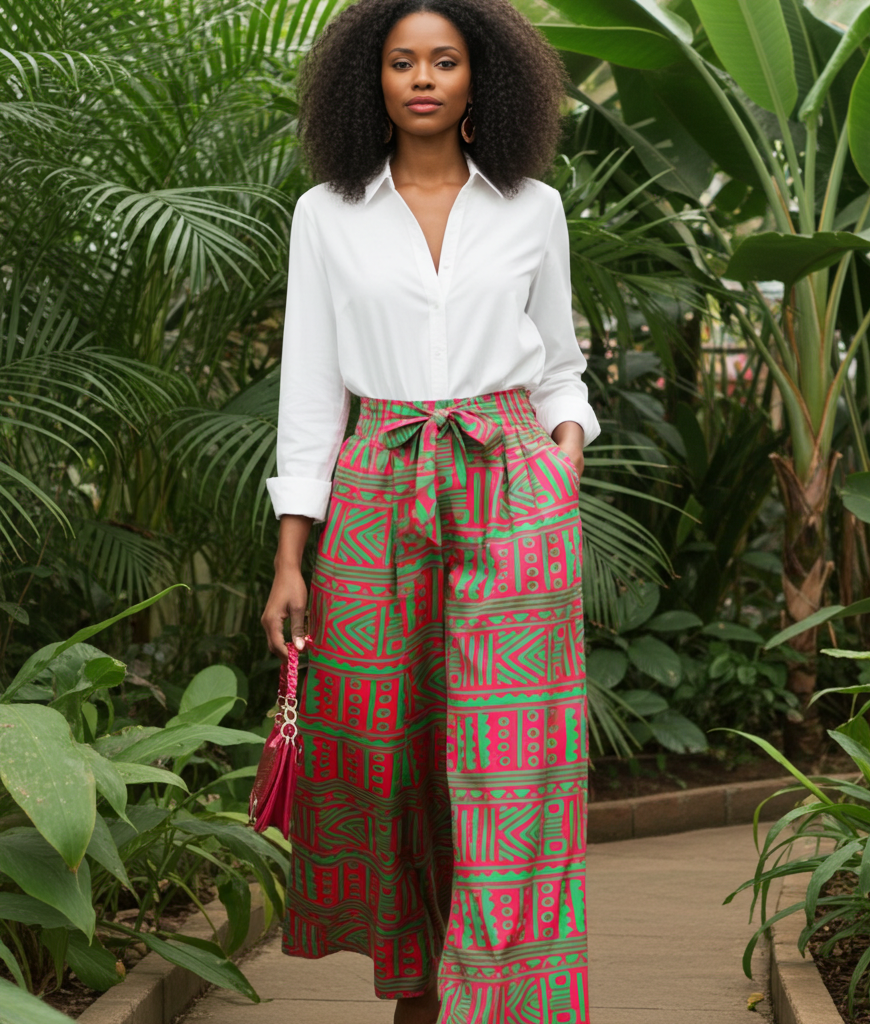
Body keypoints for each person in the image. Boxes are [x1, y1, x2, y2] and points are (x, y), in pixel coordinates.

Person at [261, 1, 599, 1021]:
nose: (422, 78)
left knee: (516, 754)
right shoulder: (327, 214)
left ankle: (498, 996)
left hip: (512, 482)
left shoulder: (532, 207)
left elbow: (561, 362)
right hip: (377, 483)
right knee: (389, 756)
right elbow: (310, 391)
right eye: (402, 61)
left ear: (478, 76)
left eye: (443, 61)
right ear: (369, 77)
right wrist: (290, 557)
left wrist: (564, 451)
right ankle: (416, 985)